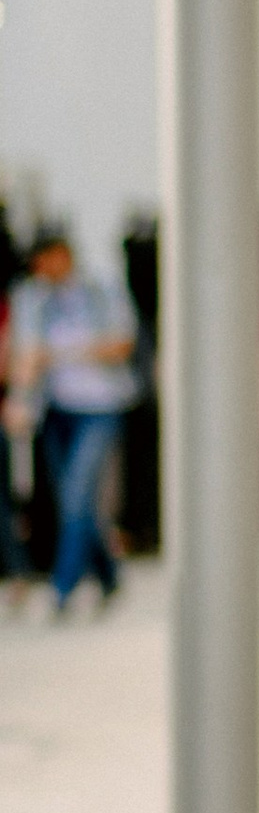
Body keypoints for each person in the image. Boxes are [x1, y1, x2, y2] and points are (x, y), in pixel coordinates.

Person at [5, 230, 139, 616]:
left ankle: (63, 587)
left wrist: (63, 352)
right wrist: (19, 399)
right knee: (71, 500)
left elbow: (121, 343)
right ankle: (109, 573)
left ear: (62, 255)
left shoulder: (100, 288)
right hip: (55, 408)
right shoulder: (31, 296)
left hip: (99, 406)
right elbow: (25, 354)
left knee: (79, 494)